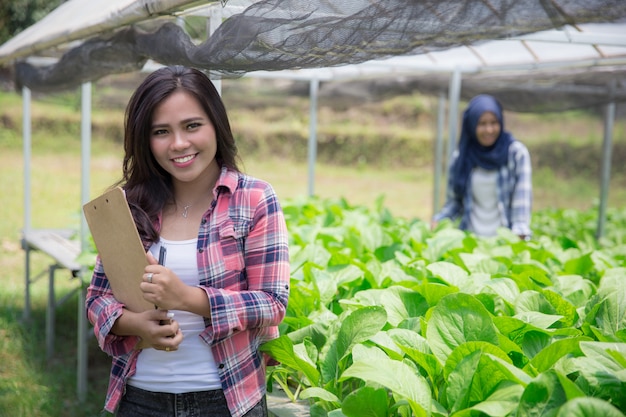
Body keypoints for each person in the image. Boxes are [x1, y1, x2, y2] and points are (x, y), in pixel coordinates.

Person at [86, 65, 290, 417]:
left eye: (192, 126)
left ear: (216, 125)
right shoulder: (127, 204)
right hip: (139, 399)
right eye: (161, 131)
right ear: (145, 140)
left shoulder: (254, 198)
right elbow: (97, 299)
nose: (179, 144)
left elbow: (272, 303)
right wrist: (136, 325)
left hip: (227, 401)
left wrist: (186, 298)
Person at [431, 94, 532, 240]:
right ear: (471, 125)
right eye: (482, 124)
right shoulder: (461, 158)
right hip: (470, 242)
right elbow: (454, 202)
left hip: (503, 243)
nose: (489, 130)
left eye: (494, 122)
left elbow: (521, 204)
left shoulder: (515, 154)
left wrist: (518, 237)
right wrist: (440, 220)